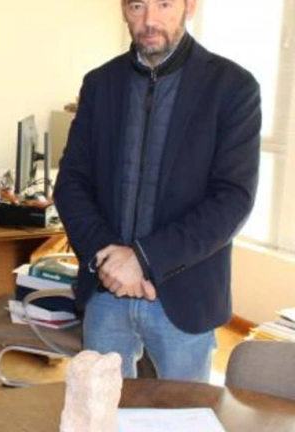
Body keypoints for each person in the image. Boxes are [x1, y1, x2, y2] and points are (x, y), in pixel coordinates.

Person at [54, 0, 261, 383]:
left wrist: (144, 260)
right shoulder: (100, 84)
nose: (150, 20)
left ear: (189, 6)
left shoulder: (233, 87)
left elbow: (233, 199)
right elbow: (71, 184)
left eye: (164, 4)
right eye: (137, 6)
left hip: (185, 295)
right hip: (106, 292)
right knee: (102, 410)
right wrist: (109, 260)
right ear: (123, 10)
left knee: (184, 413)